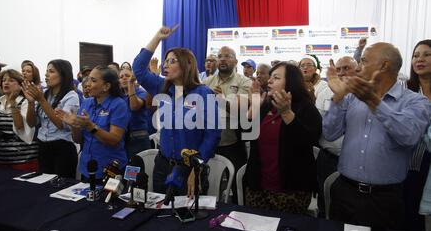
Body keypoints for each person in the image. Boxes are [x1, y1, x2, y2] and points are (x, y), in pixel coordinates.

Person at [323, 42, 431, 230]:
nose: (358, 67)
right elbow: (329, 133)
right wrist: (338, 97)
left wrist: (373, 101)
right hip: (344, 191)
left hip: (384, 199)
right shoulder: (351, 97)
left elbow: (409, 136)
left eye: (363, 61)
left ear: (384, 66)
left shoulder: (416, 102)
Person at [132, 25, 221, 194]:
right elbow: (138, 69)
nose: (166, 65)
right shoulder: (162, 87)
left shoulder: (204, 93)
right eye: (166, 61)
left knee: (186, 217)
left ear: (187, 65)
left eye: (172, 61)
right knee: (159, 215)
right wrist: (157, 38)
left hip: (190, 168)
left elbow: (213, 135)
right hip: (163, 165)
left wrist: (197, 167)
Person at [243, 62, 322, 214]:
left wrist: (286, 113)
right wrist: (253, 107)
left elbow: (310, 139)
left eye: (276, 78)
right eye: (270, 77)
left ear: (291, 82)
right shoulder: (266, 104)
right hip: (258, 187)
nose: (269, 81)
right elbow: (244, 134)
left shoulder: (306, 107)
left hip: (291, 190)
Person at [57, 66, 130, 181]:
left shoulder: (118, 104)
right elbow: (78, 140)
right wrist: (74, 126)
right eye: (88, 79)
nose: (88, 84)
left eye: (93, 81)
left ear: (106, 86)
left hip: (110, 168)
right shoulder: (86, 103)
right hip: (87, 167)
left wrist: (90, 126)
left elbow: (114, 139)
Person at [203, 46, 252, 202]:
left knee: (239, 189)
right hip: (208, 143)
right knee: (207, 186)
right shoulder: (206, 82)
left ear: (235, 61)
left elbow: (242, 110)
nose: (222, 59)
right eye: (220, 56)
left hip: (232, 142)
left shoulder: (244, 81)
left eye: (227, 56)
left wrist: (222, 101)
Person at [316, 56, 358, 217]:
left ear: (358, 69)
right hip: (328, 159)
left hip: (356, 162)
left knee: (350, 207)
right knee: (325, 202)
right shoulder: (325, 92)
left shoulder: (364, 93)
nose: (341, 73)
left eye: (346, 68)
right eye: (338, 69)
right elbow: (319, 123)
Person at [23, 59, 80, 178]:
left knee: (59, 188)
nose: (46, 74)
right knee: (42, 188)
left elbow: (61, 125)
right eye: (46, 71)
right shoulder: (44, 93)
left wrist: (41, 100)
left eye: (51, 71)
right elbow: (31, 123)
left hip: (62, 149)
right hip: (43, 147)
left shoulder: (71, 96)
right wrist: (31, 102)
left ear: (63, 75)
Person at [0, 69, 38, 170]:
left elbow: (20, 127)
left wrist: (12, 102)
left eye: (11, 80)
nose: (6, 83)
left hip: (24, 160)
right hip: (2, 159)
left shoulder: (26, 102)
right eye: (4, 80)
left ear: (20, 85)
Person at [403, 40, 431, 231]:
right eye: (415, 55)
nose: (419, 59)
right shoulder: (405, 90)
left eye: (426, 54)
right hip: (408, 163)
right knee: (408, 217)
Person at [119, 67, 151, 158]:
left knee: (137, 169)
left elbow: (134, 106)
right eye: (121, 77)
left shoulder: (140, 92)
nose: (124, 78)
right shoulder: (118, 96)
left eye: (127, 75)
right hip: (123, 139)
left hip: (138, 138)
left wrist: (130, 85)